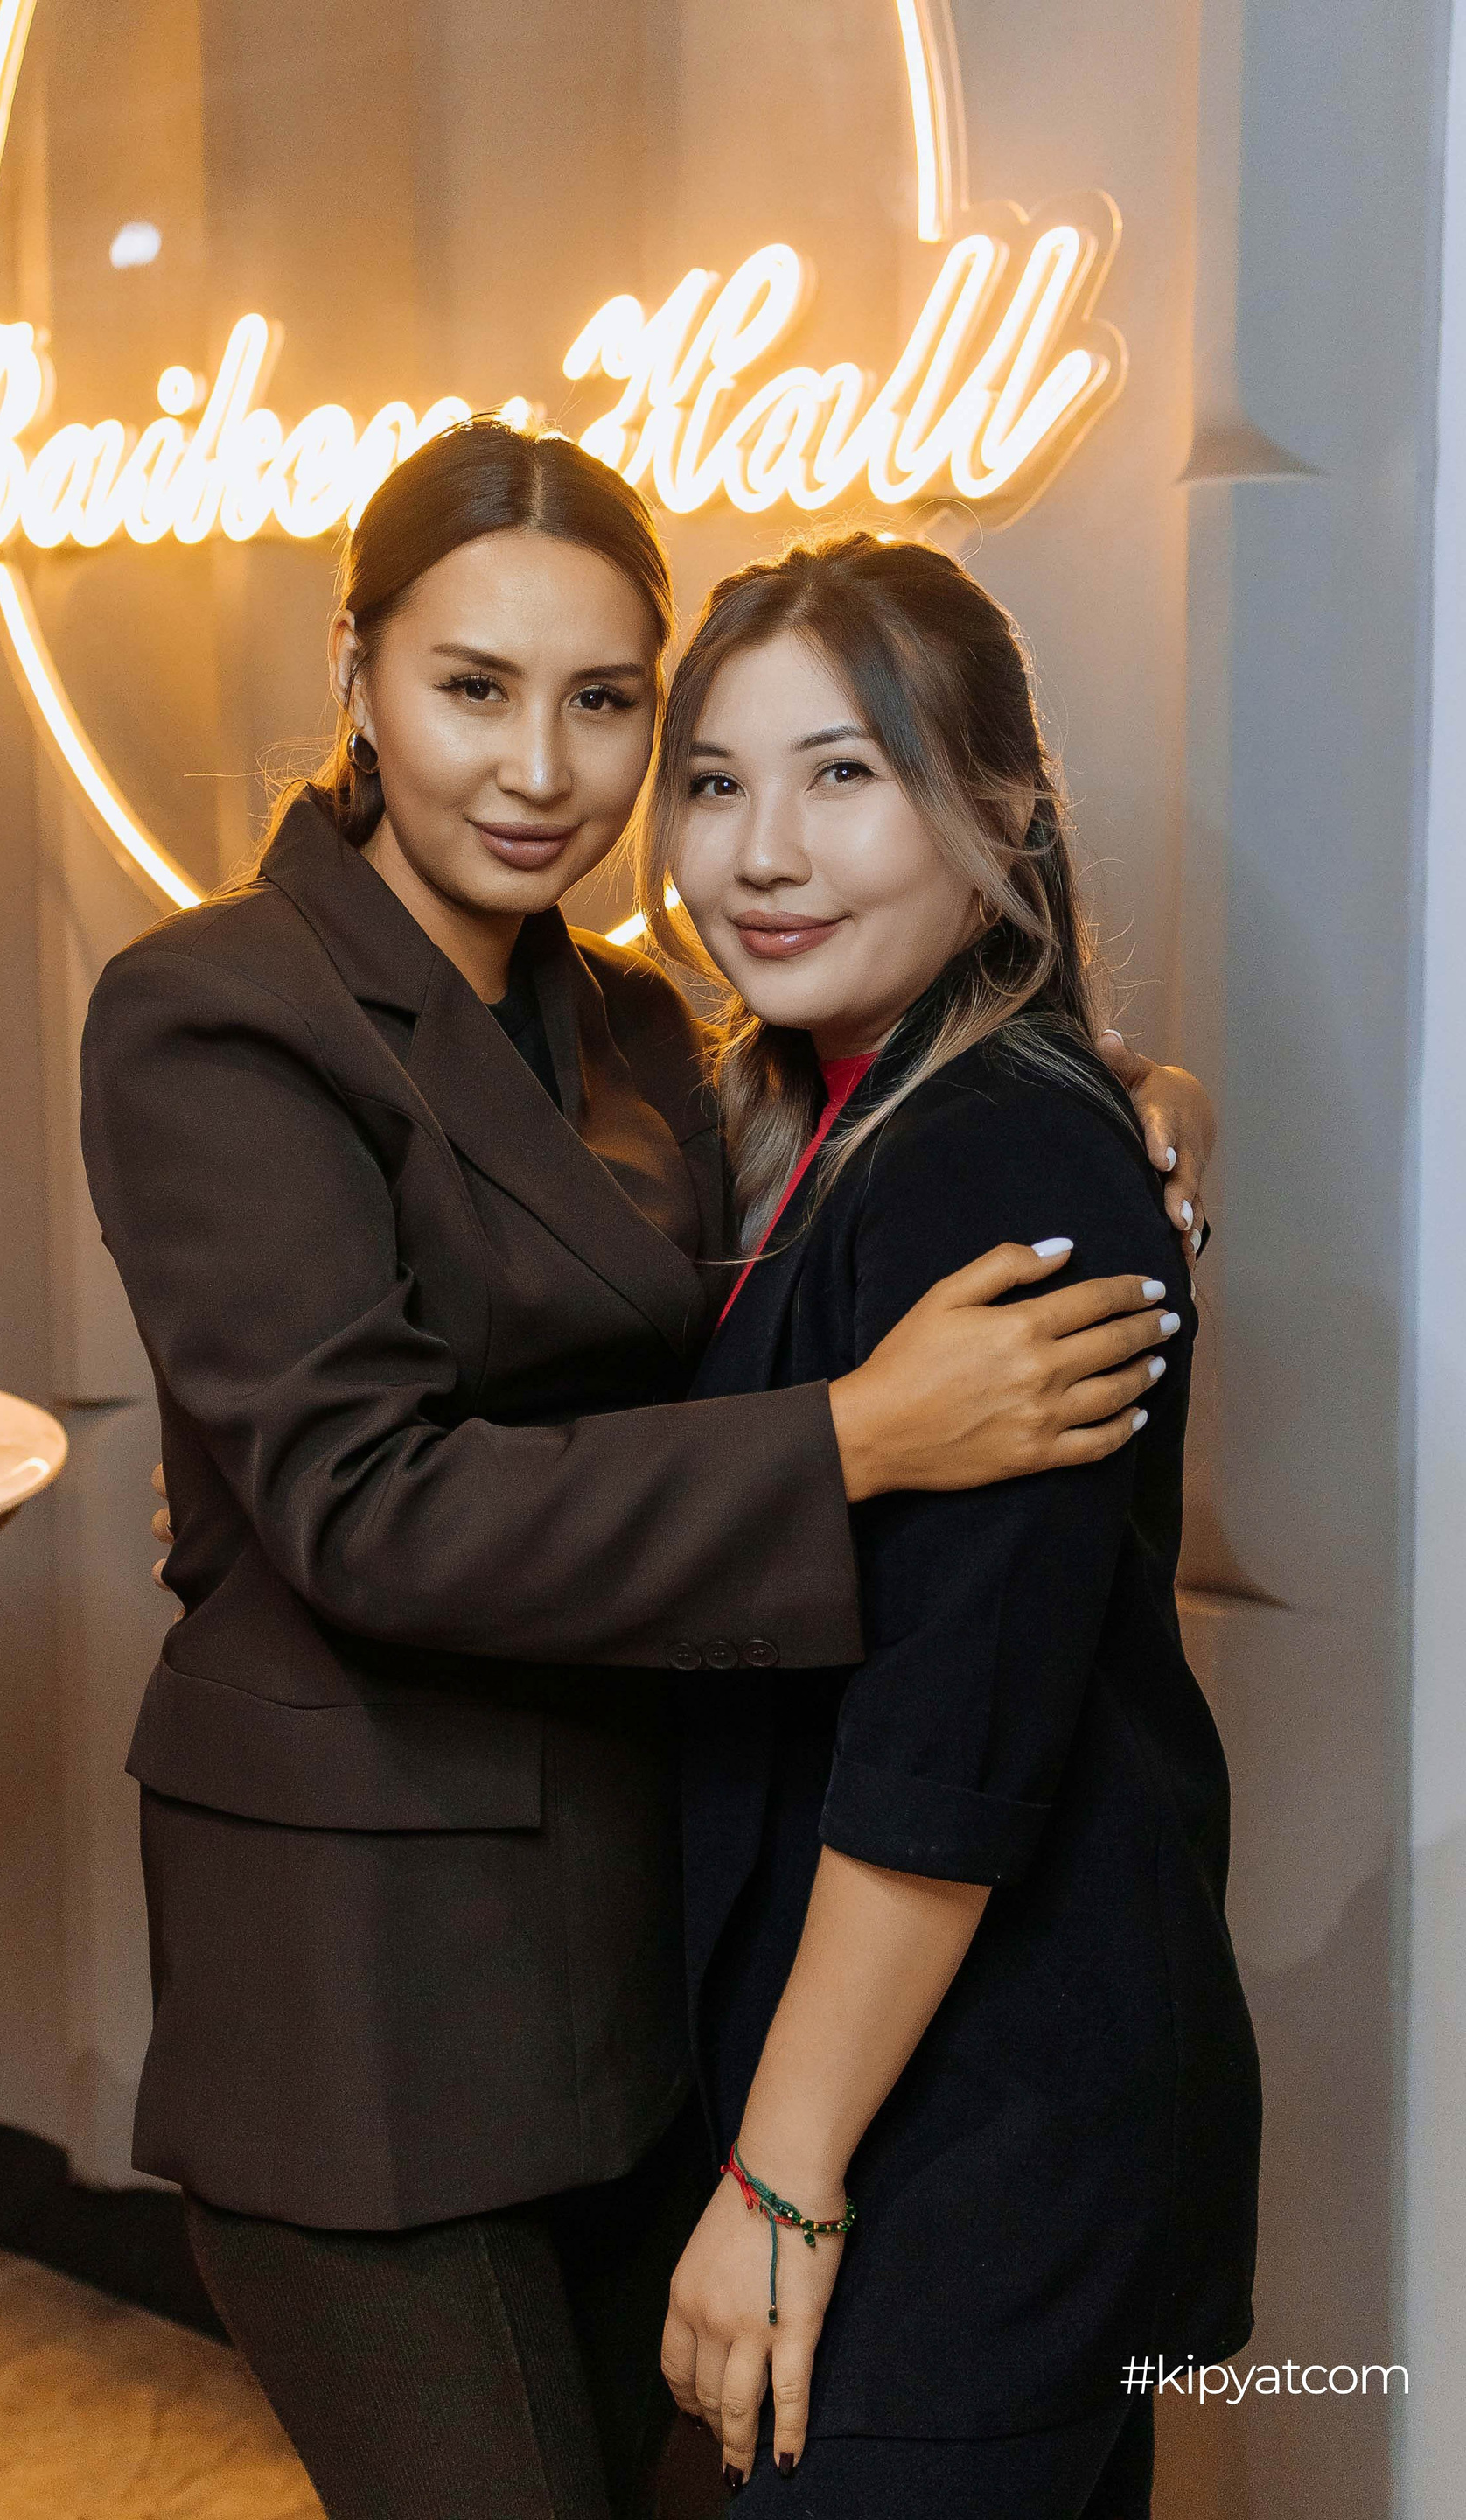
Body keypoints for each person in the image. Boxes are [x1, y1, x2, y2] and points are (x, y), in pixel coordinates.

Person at [80, 420, 1214, 2520]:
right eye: (473, 687)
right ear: (355, 676)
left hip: (640, 1973)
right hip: (370, 1996)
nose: (541, 769)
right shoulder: (215, 1008)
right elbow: (365, 1507)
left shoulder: (629, 1027)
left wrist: (1114, 1093)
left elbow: (870, 1123)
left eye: (606, 703)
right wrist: (859, 1436)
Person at [653, 534, 1261, 2517]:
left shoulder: (996, 1155)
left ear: (1001, 806)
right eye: (716, 781)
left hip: (974, 2130)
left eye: (843, 773)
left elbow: (953, 1740)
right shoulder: (817, 1108)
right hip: (939, 2103)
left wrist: (781, 2181)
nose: (761, 853)